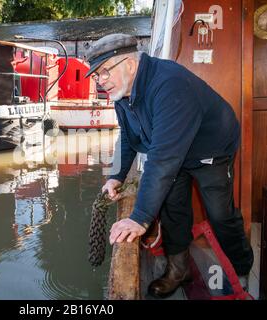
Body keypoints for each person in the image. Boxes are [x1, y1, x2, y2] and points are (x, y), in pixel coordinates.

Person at [85, 34, 253, 299]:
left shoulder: (170, 84)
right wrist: (116, 175)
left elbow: (162, 159)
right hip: (172, 152)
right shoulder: (122, 96)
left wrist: (140, 217)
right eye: (96, 76)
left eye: (105, 71)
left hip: (210, 150)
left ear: (129, 64)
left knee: (220, 214)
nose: (100, 81)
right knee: (174, 210)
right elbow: (128, 137)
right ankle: (179, 269)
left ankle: (241, 271)